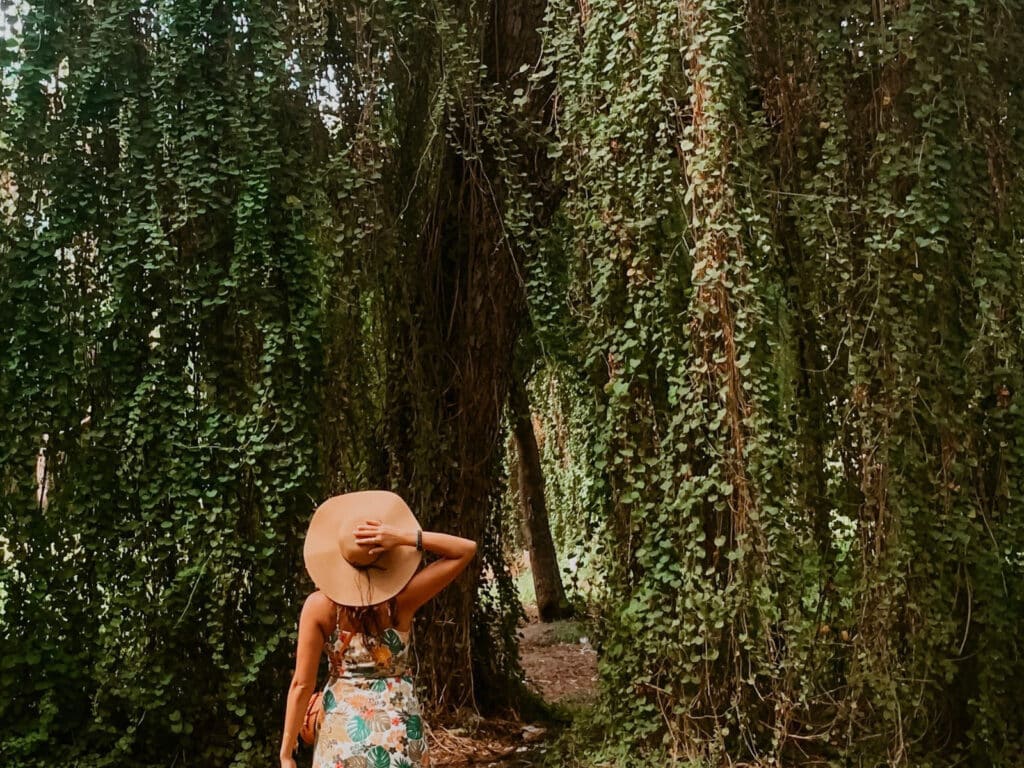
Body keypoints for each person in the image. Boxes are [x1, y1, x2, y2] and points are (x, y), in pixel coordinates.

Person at [279, 490, 477, 768]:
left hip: (342, 736)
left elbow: (301, 685)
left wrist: (287, 752)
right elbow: (464, 550)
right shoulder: (401, 601)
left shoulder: (319, 607)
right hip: (400, 733)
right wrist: (404, 537)